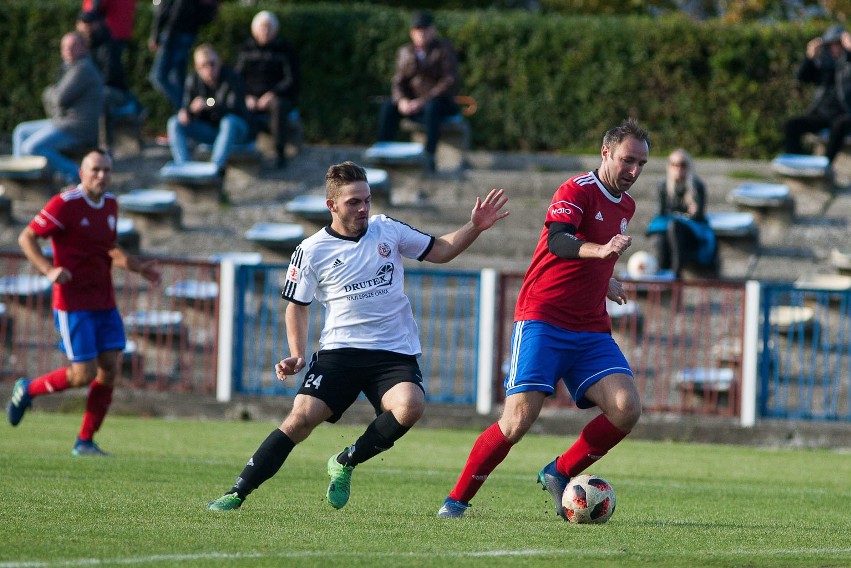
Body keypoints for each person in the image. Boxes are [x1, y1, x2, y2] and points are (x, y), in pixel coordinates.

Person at [206, 161, 509, 511]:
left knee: (410, 406)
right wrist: (297, 353)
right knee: (300, 418)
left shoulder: (387, 229)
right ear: (331, 206)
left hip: (393, 352)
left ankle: (346, 461)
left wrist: (474, 226)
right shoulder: (312, 250)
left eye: (367, 199)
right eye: (354, 202)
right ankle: (237, 491)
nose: (364, 207)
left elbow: (440, 250)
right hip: (341, 353)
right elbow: (296, 306)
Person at [436, 119, 649, 519]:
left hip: (589, 327)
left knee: (626, 407)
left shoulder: (626, 205)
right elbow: (559, 240)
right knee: (517, 421)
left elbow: (591, 255)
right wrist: (601, 253)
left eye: (641, 164)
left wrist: (606, 279)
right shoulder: (575, 190)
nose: (634, 172)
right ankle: (456, 500)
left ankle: (560, 471)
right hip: (544, 318)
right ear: (605, 153)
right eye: (627, 161)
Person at [6, 149, 162, 456]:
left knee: (109, 368)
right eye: (95, 170)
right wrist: (49, 270)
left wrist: (138, 267)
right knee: (83, 374)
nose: (101, 175)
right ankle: (28, 389)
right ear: (81, 172)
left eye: (106, 170)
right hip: (72, 303)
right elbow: (27, 237)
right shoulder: (64, 204)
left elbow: (109, 248)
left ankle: (85, 441)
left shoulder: (111, 205)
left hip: (104, 300)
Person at [12, 32, 104, 185]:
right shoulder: (71, 67)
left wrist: (49, 91)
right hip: (63, 121)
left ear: (83, 48)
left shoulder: (83, 68)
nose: (68, 50)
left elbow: (59, 97)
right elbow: (58, 98)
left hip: (76, 127)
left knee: (31, 147)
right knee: (21, 131)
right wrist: (53, 94)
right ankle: (21, 177)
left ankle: (75, 173)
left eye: (73, 46)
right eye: (65, 47)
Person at [377, 11, 460, 173]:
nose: (421, 34)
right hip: (413, 103)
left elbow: (449, 81)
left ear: (433, 30)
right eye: (417, 30)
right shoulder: (405, 52)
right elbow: (398, 81)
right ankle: (383, 152)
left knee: (432, 108)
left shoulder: (444, 49)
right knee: (388, 106)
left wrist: (421, 102)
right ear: (412, 33)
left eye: (425, 29)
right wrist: (402, 100)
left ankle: (429, 156)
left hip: (439, 103)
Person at [167, 43, 255, 175]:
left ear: (219, 62)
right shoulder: (193, 80)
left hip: (238, 131)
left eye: (212, 63)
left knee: (228, 121)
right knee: (175, 123)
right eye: (203, 65)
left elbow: (235, 109)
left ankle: (214, 170)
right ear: (197, 67)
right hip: (211, 132)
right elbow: (186, 108)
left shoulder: (232, 78)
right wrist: (188, 111)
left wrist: (210, 104)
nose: (208, 68)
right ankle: (183, 169)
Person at [783, 24, 851, 172]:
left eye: (837, 44)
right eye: (831, 45)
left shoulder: (849, 64)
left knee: (840, 125)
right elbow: (802, 77)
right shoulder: (823, 65)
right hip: (822, 115)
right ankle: (798, 166)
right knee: (791, 125)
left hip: (845, 115)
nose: (834, 48)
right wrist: (810, 57)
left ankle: (824, 167)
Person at [236, 10, 300, 169]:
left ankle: (279, 152)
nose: (265, 31)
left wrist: (273, 94)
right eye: (262, 28)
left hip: (277, 97)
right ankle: (244, 150)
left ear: (275, 30)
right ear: (255, 30)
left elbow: (291, 79)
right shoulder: (245, 50)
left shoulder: (284, 50)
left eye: (269, 28)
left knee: (278, 107)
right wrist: (246, 96)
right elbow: (237, 78)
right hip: (251, 97)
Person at [76, 11, 144, 147]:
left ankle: (105, 146)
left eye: (90, 24)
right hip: (91, 91)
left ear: (97, 24)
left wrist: (89, 87)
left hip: (114, 91)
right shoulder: (79, 46)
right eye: (84, 24)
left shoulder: (108, 45)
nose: (86, 28)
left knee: (100, 98)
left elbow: (110, 75)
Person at [652, 149, 716, 278]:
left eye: (683, 164)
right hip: (671, 230)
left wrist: (689, 214)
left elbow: (699, 215)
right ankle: (662, 274)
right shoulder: (663, 186)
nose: (678, 168)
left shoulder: (697, 185)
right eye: (674, 164)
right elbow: (661, 213)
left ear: (688, 166)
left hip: (691, 233)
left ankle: (676, 273)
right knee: (661, 237)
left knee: (675, 226)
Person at [148, 0, 218, 110]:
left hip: (173, 34)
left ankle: (185, 109)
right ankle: (185, 111)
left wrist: (157, 35)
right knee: (178, 78)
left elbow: (165, 9)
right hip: (188, 34)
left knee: (158, 77)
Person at [80, 0, 138, 67]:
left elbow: (95, 9)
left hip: (105, 33)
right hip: (121, 31)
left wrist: (85, 21)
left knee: (99, 67)